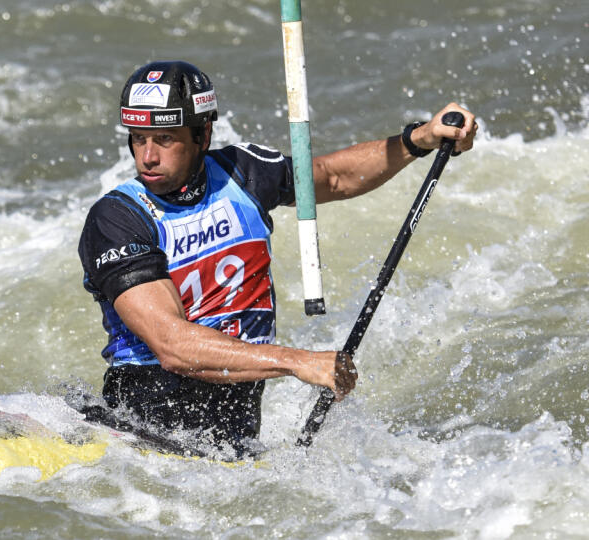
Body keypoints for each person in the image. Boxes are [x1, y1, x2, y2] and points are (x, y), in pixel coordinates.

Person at [76, 60, 477, 457]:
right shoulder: (116, 219)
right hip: (141, 430)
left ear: (203, 134)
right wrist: (297, 362)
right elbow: (172, 345)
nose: (146, 156)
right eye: (138, 138)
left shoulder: (242, 174)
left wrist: (418, 140)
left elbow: (333, 177)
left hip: (232, 440)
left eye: (164, 139)